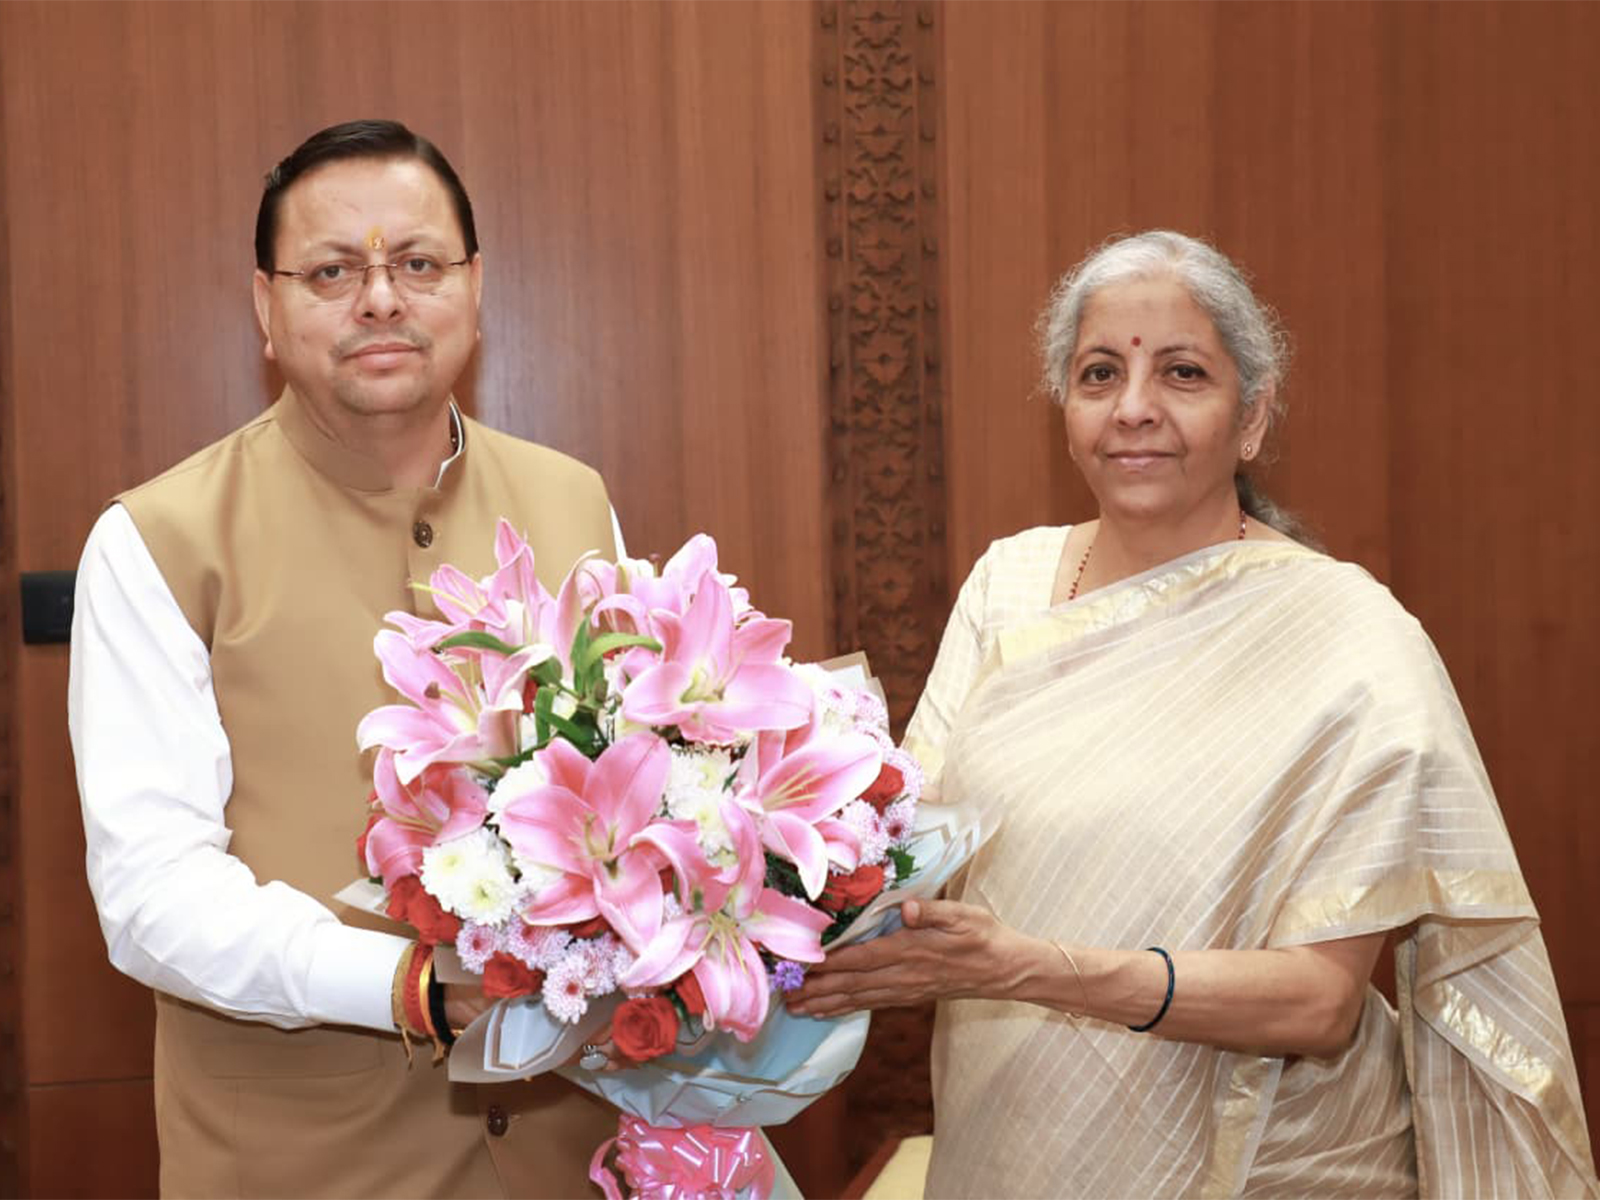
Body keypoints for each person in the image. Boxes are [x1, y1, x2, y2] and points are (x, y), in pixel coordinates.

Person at [791, 231, 1599, 1198]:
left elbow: (1319, 1005)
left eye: (1181, 372)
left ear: (1251, 417)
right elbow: (900, 850)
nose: (1135, 409)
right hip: (1017, 1145)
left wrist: (1029, 969)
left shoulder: (1349, 636)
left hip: (1272, 1164)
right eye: (1099, 374)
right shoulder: (1008, 585)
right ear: (1068, 408)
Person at [68, 120, 622, 1197]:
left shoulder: (573, 499)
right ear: (266, 308)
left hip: (568, 1155)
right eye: (332, 270)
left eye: (417, 264)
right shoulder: (160, 540)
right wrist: (413, 987)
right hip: (304, 1164)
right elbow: (153, 897)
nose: (380, 298)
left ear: (474, 287)